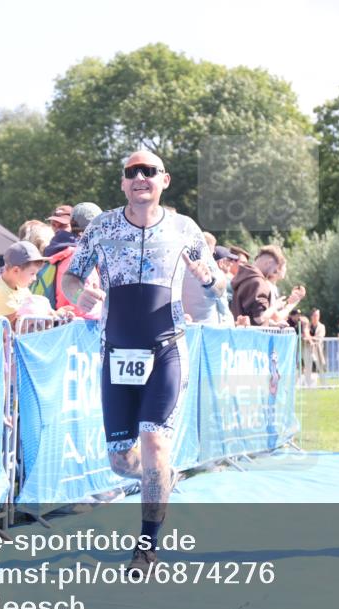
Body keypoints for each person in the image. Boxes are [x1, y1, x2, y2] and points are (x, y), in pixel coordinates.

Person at [61, 150, 224, 573]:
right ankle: (160, 477)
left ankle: (147, 546)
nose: (140, 178)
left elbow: (217, 284)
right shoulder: (102, 227)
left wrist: (205, 276)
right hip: (116, 350)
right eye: (132, 172)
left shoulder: (184, 228)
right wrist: (78, 292)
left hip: (166, 347)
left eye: (148, 171)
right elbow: (71, 275)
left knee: (154, 441)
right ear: (122, 182)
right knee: (121, 459)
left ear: (163, 180)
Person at [230, 245, 305, 326]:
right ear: (268, 263)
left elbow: (250, 316)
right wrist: (276, 306)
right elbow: (259, 318)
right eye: (275, 268)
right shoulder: (258, 282)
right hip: (253, 337)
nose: (274, 272)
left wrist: (274, 325)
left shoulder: (247, 277)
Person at [0, 241, 49, 325]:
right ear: (16, 270)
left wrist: (56, 313)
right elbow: (14, 324)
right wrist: (46, 313)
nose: (35, 278)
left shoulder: (21, 287)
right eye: (32, 274)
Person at [302, 307, 326, 387]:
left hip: (318, 349)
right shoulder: (307, 326)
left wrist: (310, 339)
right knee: (308, 367)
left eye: (318, 315)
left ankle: (323, 384)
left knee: (321, 366)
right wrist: (310, 339)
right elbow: (305, 334)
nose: (317, 317)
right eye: (315, 315)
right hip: (308, 349)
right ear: (312, 316)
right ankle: (308, 385)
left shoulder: (322, 326)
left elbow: (320, 337)